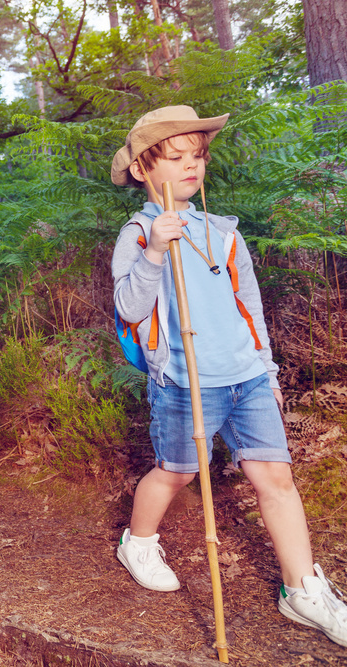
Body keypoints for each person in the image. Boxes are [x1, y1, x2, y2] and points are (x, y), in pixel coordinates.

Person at [110, 105, 347, 646]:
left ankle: (302, 589)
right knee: (178, 471)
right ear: (146, 170)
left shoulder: (223, 232)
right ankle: (138, 540)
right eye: (176, 157)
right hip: (184, 378)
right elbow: (128, 306)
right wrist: (153, 252)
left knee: (276, 479)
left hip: (247, 376)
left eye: (198, 156)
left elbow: (249, 307)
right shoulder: (139, 232)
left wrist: (265, 367)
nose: (191, 167)